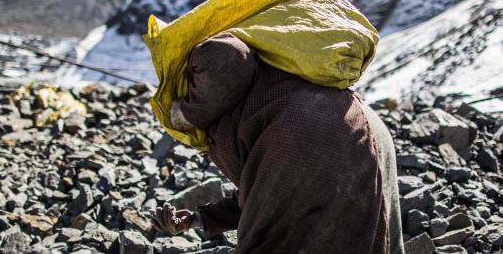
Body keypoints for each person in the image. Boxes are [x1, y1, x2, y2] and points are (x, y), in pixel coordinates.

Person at [152, 32, 404, 254]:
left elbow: (228, 57)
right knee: (369, 236)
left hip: (312, 131)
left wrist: (187, 112)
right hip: (361, 126)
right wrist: (198, 219)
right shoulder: (260, 94)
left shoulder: (205, 59)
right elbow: (264, 198)